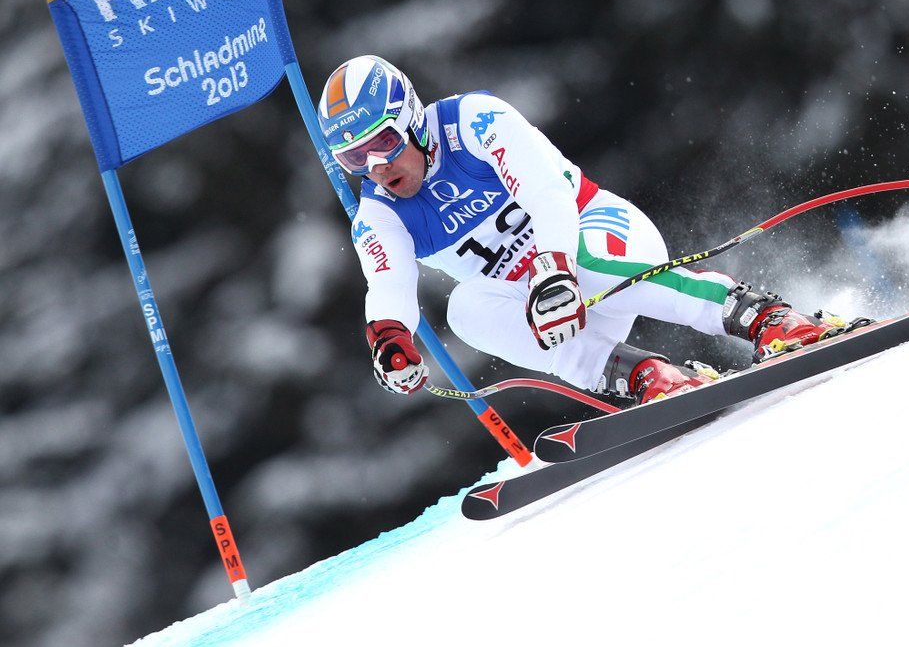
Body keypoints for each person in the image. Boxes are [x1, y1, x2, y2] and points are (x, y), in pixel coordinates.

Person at [318, 55, 866, 405]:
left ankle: (771, 320)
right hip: (548, 308)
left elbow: (545, 194)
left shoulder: (474, 121)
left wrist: (553, 269)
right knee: (464, 312)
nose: (377, 167)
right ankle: (646, 377)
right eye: (354, 158)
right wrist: (391, 338)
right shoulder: (379, 213)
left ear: (411, 119)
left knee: (587, 260)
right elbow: (387, 284)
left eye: (383, 143)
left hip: (595, 236)